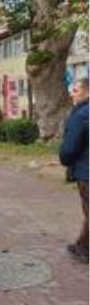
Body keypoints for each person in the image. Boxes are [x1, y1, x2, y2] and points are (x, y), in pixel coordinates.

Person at [60, 77, 89, 263]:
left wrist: (65, 159)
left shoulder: (81, 115)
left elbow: (70, 148)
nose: (71, 93)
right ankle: (82, 245)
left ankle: (85, 250)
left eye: (76, 90)